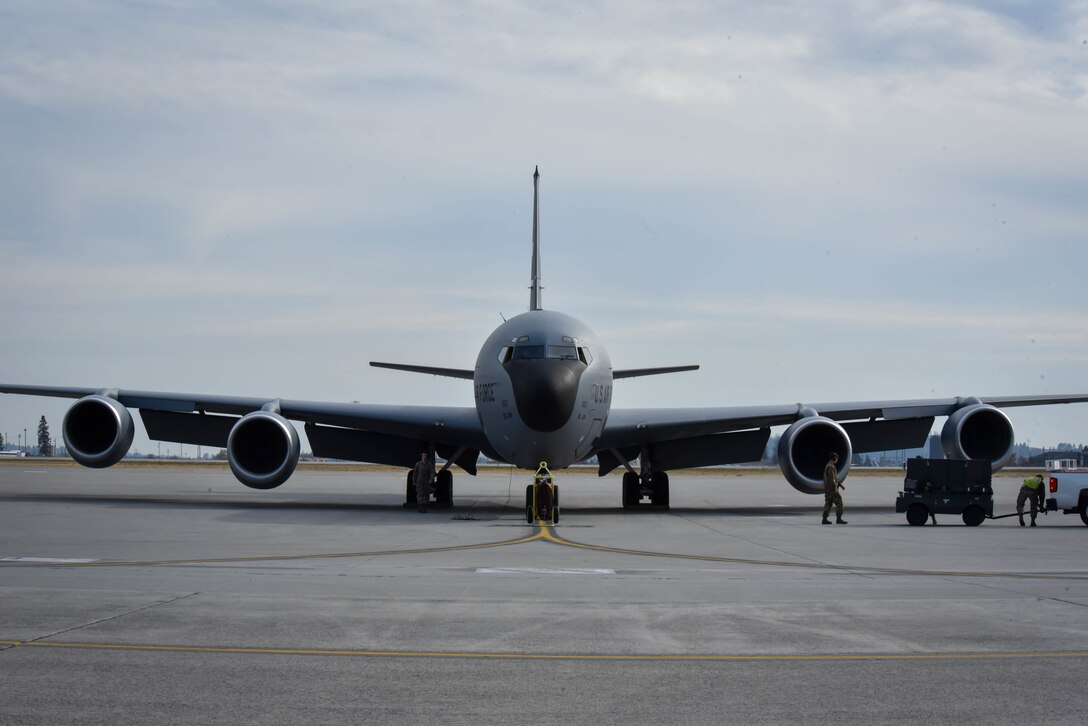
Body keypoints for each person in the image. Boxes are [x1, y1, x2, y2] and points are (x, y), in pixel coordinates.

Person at [822, 452, 847, 525]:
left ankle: (824, 519)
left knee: (828, 503)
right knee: (839, 502)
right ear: (835, 458)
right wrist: (835, 489)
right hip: (832, 490)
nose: (837, 460)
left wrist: (840, 485)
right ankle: (839, 518)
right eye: (837, 459)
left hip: (828, 489)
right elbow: (832, 479)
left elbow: (834, 478)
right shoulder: (831, 467)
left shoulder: (829, 466)